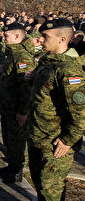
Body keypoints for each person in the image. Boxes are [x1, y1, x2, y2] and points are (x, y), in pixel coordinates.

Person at [27, 18, 85, 200]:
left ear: (62, 39)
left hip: (55, 143)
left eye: (45, 36)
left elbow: (81, 113)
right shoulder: (48, 61)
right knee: (40, 186)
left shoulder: (69, 70)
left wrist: (68, 140)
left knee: (49, 192)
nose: (40, 40)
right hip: (38, 136)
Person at [0, 23, 37, 183]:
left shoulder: (23, 57)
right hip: (8, 106)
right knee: (9, 138)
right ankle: (11, 166)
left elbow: (26, 88)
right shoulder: (12, 54)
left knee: (17, 140)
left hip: (16, 109)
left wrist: (23, 112)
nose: (3, 39)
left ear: (17, 36)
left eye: (6, 36)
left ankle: (16, 171)